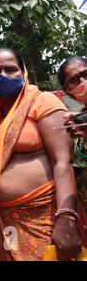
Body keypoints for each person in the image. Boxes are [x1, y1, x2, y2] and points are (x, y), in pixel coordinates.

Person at [0, 48, 82, 261]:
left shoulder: (42, 103)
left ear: (23, 74)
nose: (3, 75)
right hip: (5, 224)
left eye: (10, 69)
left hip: (43, 218)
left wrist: (66, 219)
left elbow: (62, 162)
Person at [57, 56, 87, 216]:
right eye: (74, 80)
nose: (83, 81)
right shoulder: (77, 123)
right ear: (68, 91)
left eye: (85, 74)